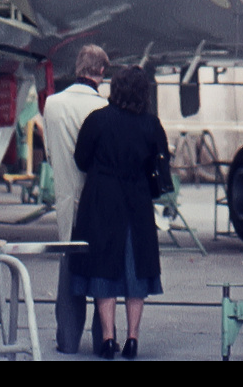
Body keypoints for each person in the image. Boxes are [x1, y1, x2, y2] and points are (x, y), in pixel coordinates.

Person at [71, 65, 169, 360]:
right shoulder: (151, 125)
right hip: (137, 202)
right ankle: (133, 339)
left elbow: (81, 159)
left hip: (102, 200)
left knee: (104, 269)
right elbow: (161, 168)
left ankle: (107, 339)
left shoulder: (98, 120)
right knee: (135, 270)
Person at [41, 43, 109, 355]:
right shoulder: (104, 109)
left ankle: (67, 340)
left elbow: (51, 154)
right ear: (101, 72)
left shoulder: (52, 105)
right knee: (100, 274)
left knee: (69, 273)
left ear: (78, 68)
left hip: (66, 198)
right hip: (99, 203)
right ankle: (102, 338)